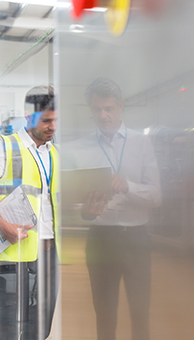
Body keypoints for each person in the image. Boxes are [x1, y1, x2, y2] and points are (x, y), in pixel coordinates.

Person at [66, 77, 161, 340]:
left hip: (136, 239)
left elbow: (156, 196)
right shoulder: (79, 148)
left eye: (108, 108)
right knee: (104, 315)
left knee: (140, 313)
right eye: (97, 109)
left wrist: (128, 186)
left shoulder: (141, 143)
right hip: (100, 240)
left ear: (120, 106)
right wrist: (86, 212)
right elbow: (72, 206)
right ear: (90, 109)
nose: (103, 115)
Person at [0, 85, 60, 340]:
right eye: (47, 120)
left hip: (49, 256)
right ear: (29, 116)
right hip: (6, 258)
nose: (52, 126)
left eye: (57, 120)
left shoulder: (56, 155)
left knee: (38, 330)